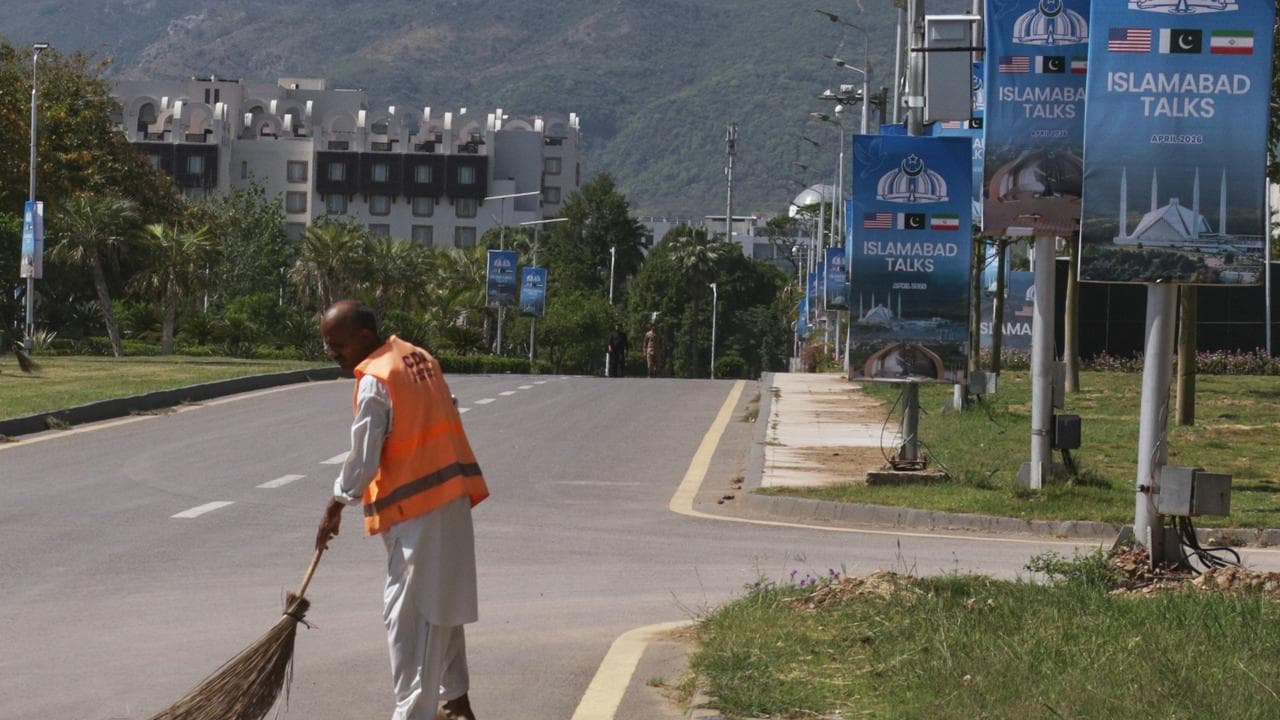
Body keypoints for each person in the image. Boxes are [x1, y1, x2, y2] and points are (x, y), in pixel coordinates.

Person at [315, 300, 488, 720]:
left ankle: (413, 714)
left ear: (363, 336)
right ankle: (457, 701)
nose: (331, 353)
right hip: (449, 499)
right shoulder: (417, 357)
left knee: (408, 619)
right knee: (440, 607)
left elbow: (364, 457)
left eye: (336, 344)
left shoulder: (377, 377)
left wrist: (337, 501)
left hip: (418, 512)